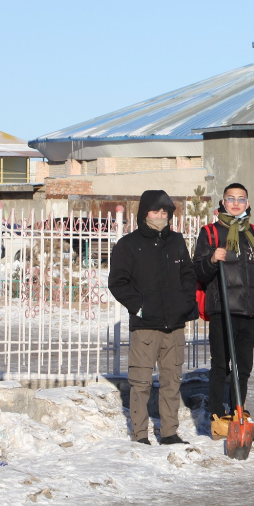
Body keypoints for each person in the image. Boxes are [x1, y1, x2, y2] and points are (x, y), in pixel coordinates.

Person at [108, 190, 198, 445]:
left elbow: (188, 276)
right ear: (144, 213)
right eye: (155, 211)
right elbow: (118, 282)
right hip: (146, 327)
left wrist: (184, 304)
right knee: (141, 383)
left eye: (165, 212)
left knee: (171, 382)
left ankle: (169, 432)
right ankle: (140, 435)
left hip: (174, 326)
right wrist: (140, 308)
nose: (160, 217)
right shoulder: (129, 244)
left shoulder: (177, 241)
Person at [192, 183, 254, 426]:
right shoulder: (211, 233)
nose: (236, 203)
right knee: (220, 365)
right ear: (222, 203)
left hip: (248, 312)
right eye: (231, 198)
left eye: (241, 199)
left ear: (247, 203)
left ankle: (238, 409)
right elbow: (198, 271)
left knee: (243, 366)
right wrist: (212, 259)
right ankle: (218, 414)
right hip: (222, 309)